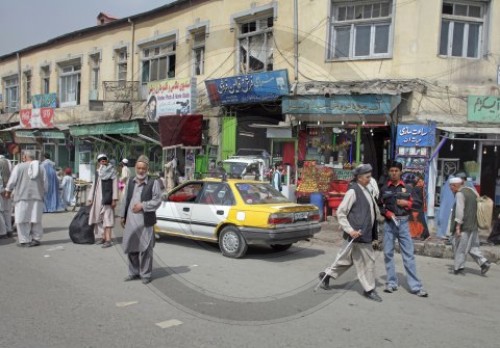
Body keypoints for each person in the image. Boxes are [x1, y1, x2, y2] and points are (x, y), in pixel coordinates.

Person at [318, 164, 382, 302]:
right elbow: (341, 212)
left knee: (345, 260)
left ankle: (326, 275)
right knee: (368, 262)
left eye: (370, 177)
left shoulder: (366, 190)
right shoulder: (353, 191)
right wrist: (350, 230)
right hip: (357, 234)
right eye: (367, 177)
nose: (370, 179)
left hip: (364, 233)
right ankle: (369, 289)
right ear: (359, 178)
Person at [379, 161, 428, 297]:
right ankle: (391, 283)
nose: (394, 173)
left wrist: (407, 203)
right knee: (388, 254)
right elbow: (379, 205)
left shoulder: (408, 187)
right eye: (391, 170)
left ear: (400, 172)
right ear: (389, 172)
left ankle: (416, 287)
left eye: (396, 170)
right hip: (389, 224)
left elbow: (418, 203)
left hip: (404, 223)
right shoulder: (384, 189)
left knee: (408, 255)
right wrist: (386, 213)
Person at [119, 155, 162, 284]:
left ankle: (146, 274)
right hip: (131, 222)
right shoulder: (131, 181)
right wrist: (122, 215)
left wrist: (142, 206)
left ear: (147, 168)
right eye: (138, 168)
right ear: (135, 168)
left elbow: (157, 201)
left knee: (145, 249)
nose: (141, 170)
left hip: (146, 222)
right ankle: (133, 272)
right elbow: (125, 199)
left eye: (143, 168)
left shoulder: (153, 183)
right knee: (131, 247)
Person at [449, 177, 491, 275]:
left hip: (464, 225)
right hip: (474, 224)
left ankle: (458, 268)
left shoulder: (460, 194)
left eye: (451, 187)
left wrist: (458, 227)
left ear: (454, 185)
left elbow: (460, 211)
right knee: (472, 246)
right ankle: (484, 262)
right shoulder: (472, 191)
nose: (451, 189)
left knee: (459, 246)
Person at [5, 150, 47, 247]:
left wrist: (8, 190)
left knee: (22, 219)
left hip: (22, 197)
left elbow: (12, 181)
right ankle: (36, 239)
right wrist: (43, 193)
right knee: (36, 219)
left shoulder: (19, 167)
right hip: (37, 197)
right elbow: (45, 184)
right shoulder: (41, 168)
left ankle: (24, 240)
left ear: (25, 157)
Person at [87, 154, 118, 248]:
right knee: (98, 218)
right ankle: (102, 237)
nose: (103, 161)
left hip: (107, 198)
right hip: (97, 198)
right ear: (99, 161)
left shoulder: (112, 172)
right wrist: (90, 197)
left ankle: (108, 240)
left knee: (107, 218)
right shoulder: (98, 172)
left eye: (104, 159)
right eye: (101, 160)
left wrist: (114, 199)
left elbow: (115, 186)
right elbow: (94, 184)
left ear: (107, 160)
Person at [406, 173, 430, 241]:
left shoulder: (419, 188)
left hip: (419, 208)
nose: (422, 183)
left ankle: (425, 234)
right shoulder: (417, 189)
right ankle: (424, 234)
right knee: (419, 221)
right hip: (417, 208)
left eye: (422, 181)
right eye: (420, 181)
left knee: (420, 221)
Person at [0, 154, 13, 237]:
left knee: (2, 212)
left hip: (2, 190)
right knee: (7, 211)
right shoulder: (9, 162)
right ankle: (9, 230)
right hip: (8, 189)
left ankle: (3, 231)